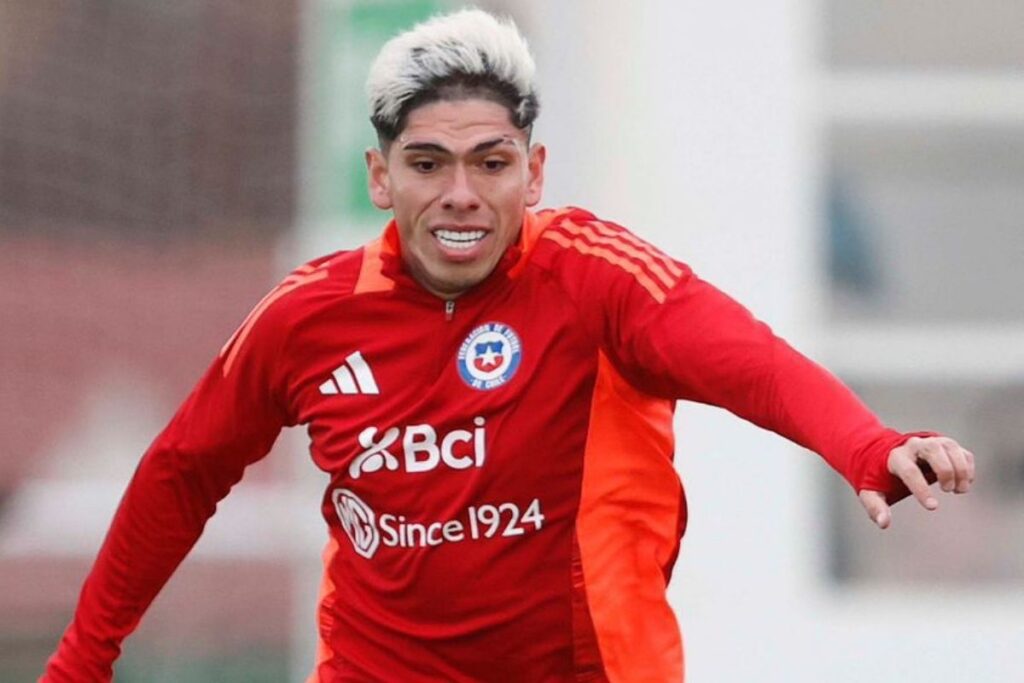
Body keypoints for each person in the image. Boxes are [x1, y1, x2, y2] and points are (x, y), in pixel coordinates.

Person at [42, 9, 975, 682]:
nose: (460, 193)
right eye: (427, 163)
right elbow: (181, 470)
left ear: (532, 173)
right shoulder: (305, 317)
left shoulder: (596, 275)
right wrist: (83, 658)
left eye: (490, 163)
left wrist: (867, 445)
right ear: (379, 176)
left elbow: (751, 359)